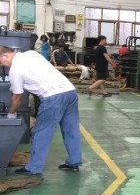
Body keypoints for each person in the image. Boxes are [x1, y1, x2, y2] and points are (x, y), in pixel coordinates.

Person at [0, 45, 82, 174]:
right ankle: (74, 162)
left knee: (41, 132)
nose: (2, 66)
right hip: (70, 92)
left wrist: (11, 114)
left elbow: (17, 97)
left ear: (5, 56)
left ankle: (33, 168)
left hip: (52, 97)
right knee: (71, 129)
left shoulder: (15, 70)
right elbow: (38, 74)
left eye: (1, 63)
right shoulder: (31, 54)